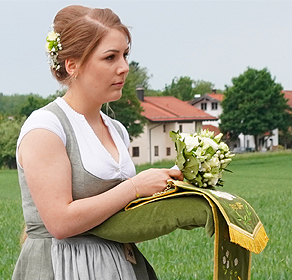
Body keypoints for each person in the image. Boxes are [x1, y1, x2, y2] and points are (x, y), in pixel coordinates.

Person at [13, 5, 185, 279]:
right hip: (64, 266)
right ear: (73, 64)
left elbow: (117, 211)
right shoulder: (46, 127)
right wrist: (135, 186)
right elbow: (60, 222)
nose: (124, 68)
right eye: (110, 57)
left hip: (121, 264)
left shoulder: (116, 129)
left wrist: (176, 195)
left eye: (125, 55)